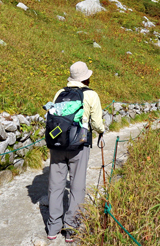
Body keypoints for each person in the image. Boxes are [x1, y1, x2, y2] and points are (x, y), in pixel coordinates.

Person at [47, 61, 105, 243]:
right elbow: (96, 122)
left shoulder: (59, 93)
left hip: (57, 144)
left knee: (55, 185)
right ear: (86, 78)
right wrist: (101, 132)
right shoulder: (91, 95)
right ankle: (71, 228)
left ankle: (53, 227)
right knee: (77, 185)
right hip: (79, 145)